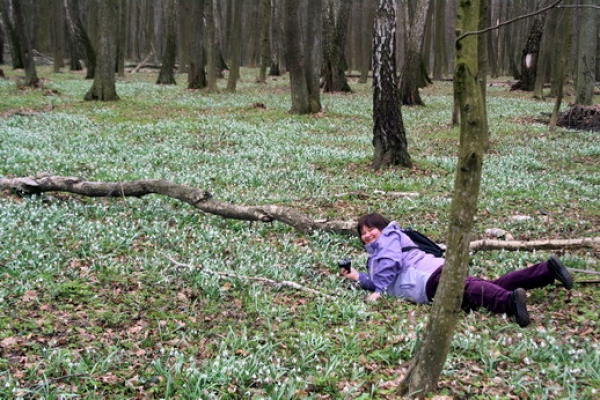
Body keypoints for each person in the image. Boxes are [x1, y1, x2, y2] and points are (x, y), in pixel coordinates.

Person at [340, 213, 574, 327]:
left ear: (381, 228)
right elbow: (384, 280)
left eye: (371, 229)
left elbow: (391, 264)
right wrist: (359, 277)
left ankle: (509, 303)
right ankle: (546, 270)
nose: (367, 234)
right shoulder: (376, 252)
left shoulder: (388, 238)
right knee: (486, 286)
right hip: (428, 276)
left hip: (426, 277)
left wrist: (378, 289)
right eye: (362, 232)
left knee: (471, 291)